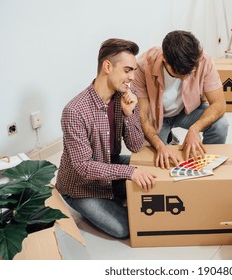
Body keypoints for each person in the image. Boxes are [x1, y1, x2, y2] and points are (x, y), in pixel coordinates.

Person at [55, 38, 157, 239]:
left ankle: (117, 196)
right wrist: (129, 172)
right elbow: (83, 167)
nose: (132, 77)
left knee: (153, 170)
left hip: (110, 167)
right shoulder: (74, 111)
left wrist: (130, 115)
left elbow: (136, 146)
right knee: (124, 228)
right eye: (128, 70)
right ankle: (108, 201)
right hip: (82, 187)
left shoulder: (124, 97)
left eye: (134, 71)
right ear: (107, 66)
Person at [132, 30, 229, 169]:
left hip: (187, 112)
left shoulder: (203, 61)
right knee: (154, 160)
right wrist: (159, 146)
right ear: (164, 59)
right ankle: (167, 138)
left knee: (221, 125)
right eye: (180, 73)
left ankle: (208, 165)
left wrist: (195, 128)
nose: (187, 76)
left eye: (191, 71)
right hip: (156, 118)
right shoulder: (143, 66)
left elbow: (219, 104)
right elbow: (141, 115)